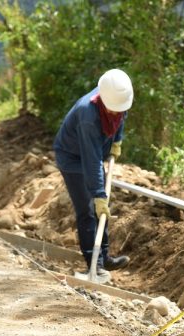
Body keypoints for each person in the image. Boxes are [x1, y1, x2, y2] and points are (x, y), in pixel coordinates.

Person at [53, 69, 133, 283]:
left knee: (103, 204)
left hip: (93, 153)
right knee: (89, 208)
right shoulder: (88, 115)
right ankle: (93, 264)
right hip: (72, 158)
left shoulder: (118, 97)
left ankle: (103, 256)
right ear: (104, 101)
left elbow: (121, 116)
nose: (118, 112)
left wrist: (117, 140)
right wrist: (97, 193)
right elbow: (92, 161)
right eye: (114, 110)